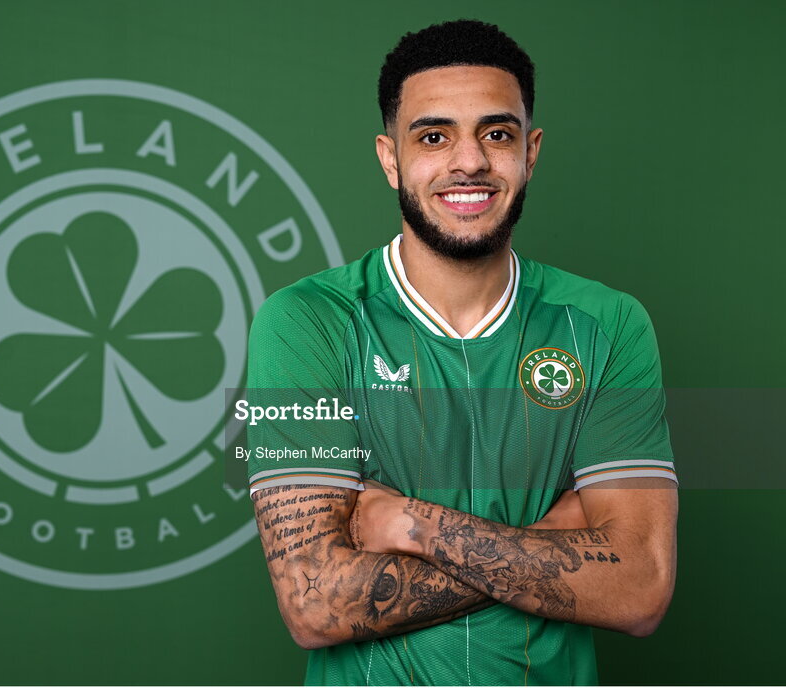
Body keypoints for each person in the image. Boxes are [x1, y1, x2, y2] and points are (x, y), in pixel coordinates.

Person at [245, 19, 678, 686]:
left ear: (530, 151)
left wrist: (413, 525)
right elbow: (314, 604)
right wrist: (551, 542)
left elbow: (641, 588)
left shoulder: (607, 324)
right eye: (433, 136)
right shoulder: (308, 321)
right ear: (390, 158)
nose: (470, 161)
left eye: (497, 134)